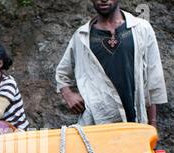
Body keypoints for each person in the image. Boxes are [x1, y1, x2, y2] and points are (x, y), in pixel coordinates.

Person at [55, 0, 167, 128]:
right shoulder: (81, 36)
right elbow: (62, 72)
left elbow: (153, 78)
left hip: (135, 122)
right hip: (96, 123)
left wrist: (152, 124)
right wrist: (68, 94)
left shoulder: (141, 29)